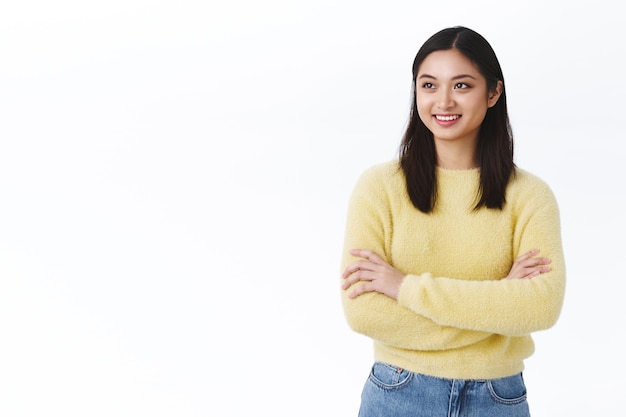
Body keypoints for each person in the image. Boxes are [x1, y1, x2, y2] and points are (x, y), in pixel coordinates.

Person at [340, 26, 565, 417]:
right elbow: (364, 312)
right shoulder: (378, 188)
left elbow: (541, 307)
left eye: (462, 85)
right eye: (429, 85)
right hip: (398, 393)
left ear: (493, 92)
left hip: (497, 399)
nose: (443, 101)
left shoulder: (530, 196)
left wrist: (404, 288)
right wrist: (498, 302)